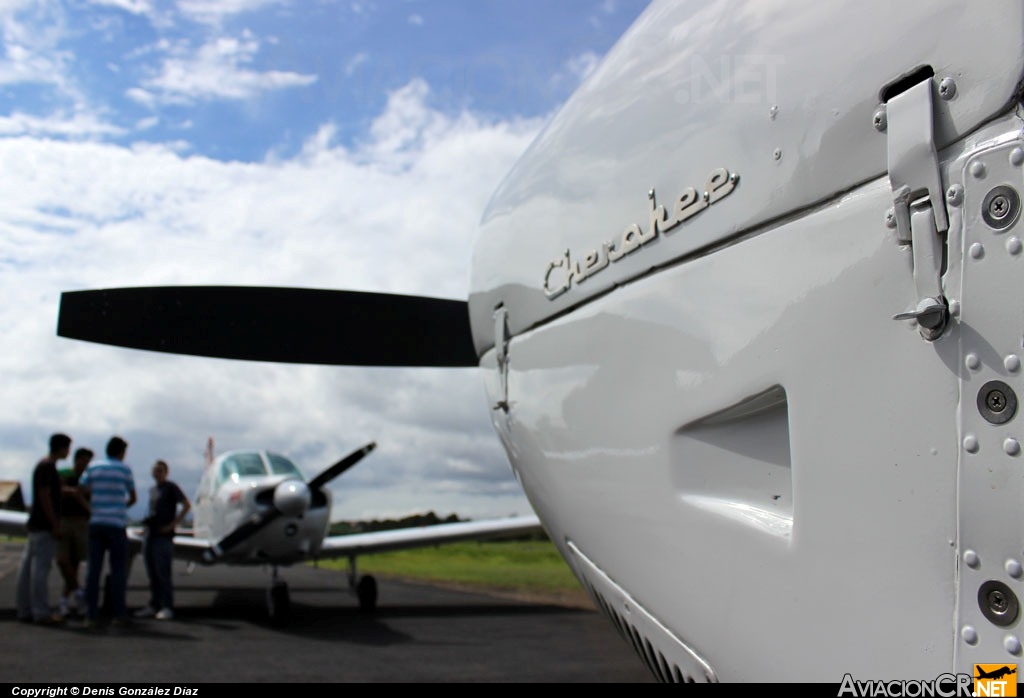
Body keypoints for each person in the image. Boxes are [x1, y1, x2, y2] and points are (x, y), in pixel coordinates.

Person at [79, 436, 137, 628]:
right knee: (118, 571)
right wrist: (120, 507)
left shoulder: (93, 467)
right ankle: (118, 614)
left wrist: (91, 507)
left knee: (93, 570)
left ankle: (90, 614)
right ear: (121, 452)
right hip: (117, 525)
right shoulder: (124, 469)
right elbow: (133, 496)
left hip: (96, 523)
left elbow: (81, 489)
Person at [15, 432, 72, 625]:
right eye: (67, 448)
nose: (68, 452)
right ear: (62, 448)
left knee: (27, 569)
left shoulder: (44, 466)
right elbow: (45, 495)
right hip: (44, 526)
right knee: (40, 569)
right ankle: (41, 611)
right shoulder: (48, 467)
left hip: (35, 525)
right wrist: (55, 523)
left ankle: (25, 609)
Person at [135, 459, 190, 620]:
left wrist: (172, 525)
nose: (157, 473)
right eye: (155, 470)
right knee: (152, 573)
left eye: (160, 470)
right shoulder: (153, 489)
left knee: (163, 573)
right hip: (150, 535)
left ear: (166, 473)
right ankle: (154, 604)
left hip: (163, 537)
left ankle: (167, 606)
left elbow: (186, 505)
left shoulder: (171, 487)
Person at [55, 447, 93, 616]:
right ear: (76, 460)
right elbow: (57, 490)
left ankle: (64, 600)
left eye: (88, 461)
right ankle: (78, 592)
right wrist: (74, 493)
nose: (86, 464)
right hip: (63, 519)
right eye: (84, 460)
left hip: (81, 522)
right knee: (62, 559)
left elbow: (89, 494)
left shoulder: (89, 478)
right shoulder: (64, 472)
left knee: (75, 562)